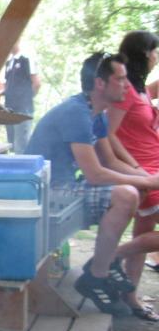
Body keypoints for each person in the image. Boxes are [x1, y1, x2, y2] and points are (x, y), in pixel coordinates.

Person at [26, 52, 159, 314]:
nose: (127, 85)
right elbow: (95, 175)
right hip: (45, 191)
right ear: (100, 83)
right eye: (120, 79)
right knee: (126, 195)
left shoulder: (97, 114)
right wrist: (147, 180)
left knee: (136, 191)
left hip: (62, 187)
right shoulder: (76, 113)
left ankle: (103, 265)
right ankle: (98, 274)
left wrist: (146, 180)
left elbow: (111, 161)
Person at [106, 31, 159, 321]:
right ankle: (110, 256)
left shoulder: (139, 88)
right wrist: (136, 170)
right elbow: (109, 133)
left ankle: (131, 297)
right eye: (155, 51)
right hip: (144, 172)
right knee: (142, 238)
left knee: (143, 234)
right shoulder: (125, 89)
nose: (157, 56)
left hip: (153, 166)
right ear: (144, 53)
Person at [3, 41, 40, 154]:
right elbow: (8, 84)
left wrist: (26, 98)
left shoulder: (27, 58)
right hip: (9, 109)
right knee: (12, 145)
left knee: (21, 146)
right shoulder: (8, 62)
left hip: (23, 110)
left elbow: (36, 83)